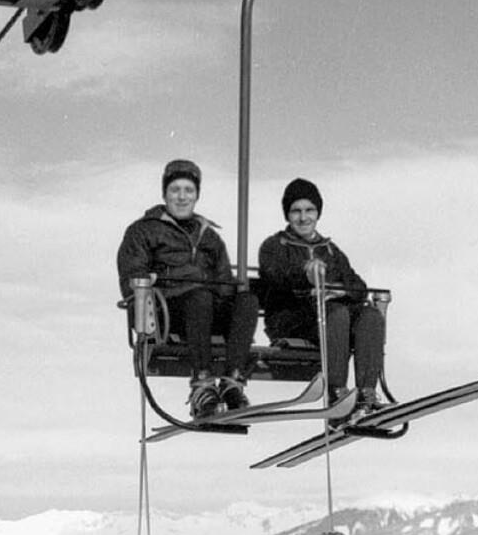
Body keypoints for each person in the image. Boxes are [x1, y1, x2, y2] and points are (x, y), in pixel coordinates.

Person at [116, 158, 258, 415]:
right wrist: (159, 280)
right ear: (165, 194)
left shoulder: (210, 237)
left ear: (196, 196)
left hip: (205, 312)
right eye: (175, 190)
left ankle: (232, 383)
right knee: (199, 296)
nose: (182, 197)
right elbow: (132, 277)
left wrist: (234, 300)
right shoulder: (143, 231)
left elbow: (224, 281)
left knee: (247, 301)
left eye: (188, 191)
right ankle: (202, 385)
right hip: (168, 314)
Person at [255, 177, 387, 418]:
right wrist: (305, 276)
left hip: (332, 317)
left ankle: (366, 393)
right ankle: (336, 394)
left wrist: (338, 290)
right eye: (296, 211)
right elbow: (275, 277)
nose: (303, 218)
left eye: (309, 210)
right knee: (336, 314)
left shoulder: (331, 251)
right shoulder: (275, 246)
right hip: (293, 320)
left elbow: (358, 286)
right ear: (287, 214)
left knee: (370, 315)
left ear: (318, 213)